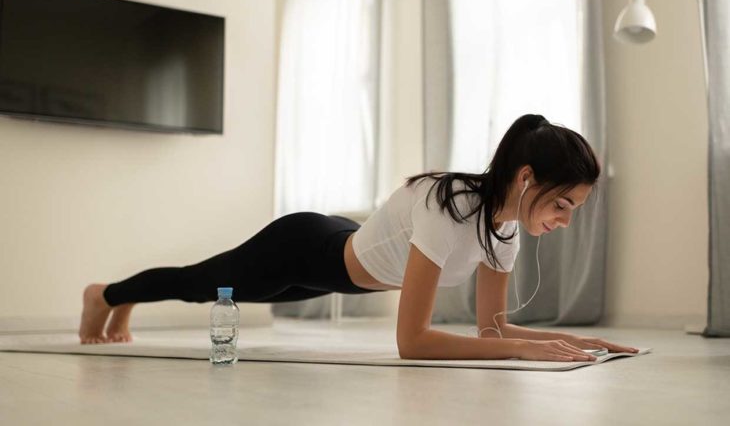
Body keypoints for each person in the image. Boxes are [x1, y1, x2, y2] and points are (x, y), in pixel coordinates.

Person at [79, 113, 639, 362]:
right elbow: (413, 343)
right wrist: (519, 348)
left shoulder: (505, 229)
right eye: (562, 204)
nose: (565, 221)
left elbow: (489, 328)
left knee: (211, 285)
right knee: (203, 283)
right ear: (526, 179)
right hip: (302, 249)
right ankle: (106, 295)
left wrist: (576, 344)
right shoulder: (450, 205)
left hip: (340, 268)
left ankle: (119, 298)